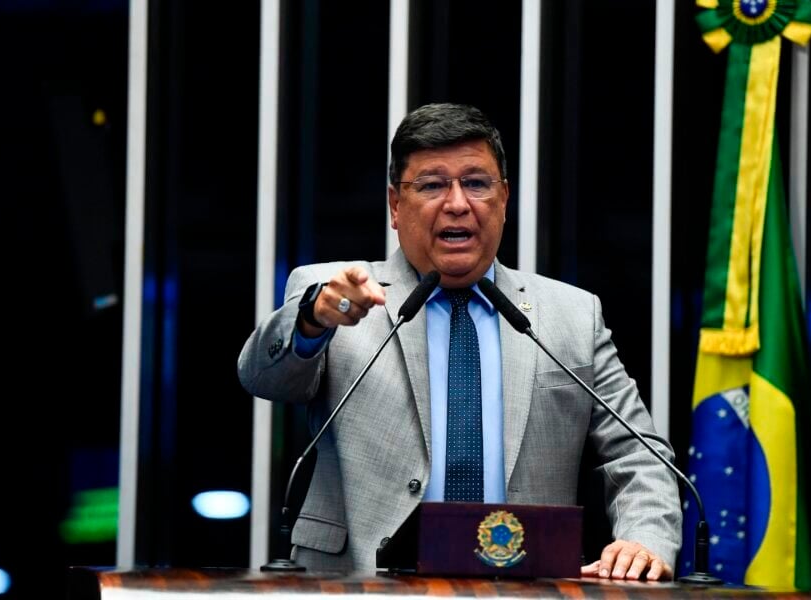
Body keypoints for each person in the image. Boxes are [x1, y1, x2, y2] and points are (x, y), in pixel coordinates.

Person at [238, 103, 682, 579]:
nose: (456, 203)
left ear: (504, 198)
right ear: (394, 205)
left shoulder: (570, 315)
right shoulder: (341, 294)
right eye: (430, 185)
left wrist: (644, 538)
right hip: (358, 586)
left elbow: (640, 454)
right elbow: (266, 378)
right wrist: (312, 320)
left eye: (476, 183)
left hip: (524, 588)